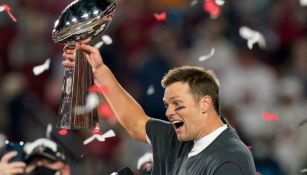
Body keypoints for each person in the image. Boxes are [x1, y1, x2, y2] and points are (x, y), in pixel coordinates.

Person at [62, 43, 256, 174]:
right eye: (167, 105)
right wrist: (99, 71)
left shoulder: (230, 157)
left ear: (205, 104)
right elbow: (136, 122)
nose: (169, 112)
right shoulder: (179, 138)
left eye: (178, 104)